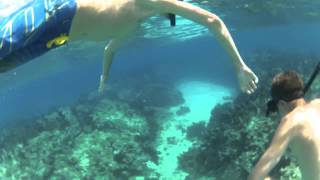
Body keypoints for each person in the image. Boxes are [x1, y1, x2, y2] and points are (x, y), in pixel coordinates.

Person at [0, 0, 258, 94]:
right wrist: (240, 66)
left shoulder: (132, 26)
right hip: (55, 9)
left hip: (57, 38)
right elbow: (213, 20)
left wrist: (103, 79)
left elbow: (109, 50)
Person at [248, 70, 320, 180]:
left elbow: (254, 177)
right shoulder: (317, 104)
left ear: (281, 104)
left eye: (276, 108)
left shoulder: (290, 121)